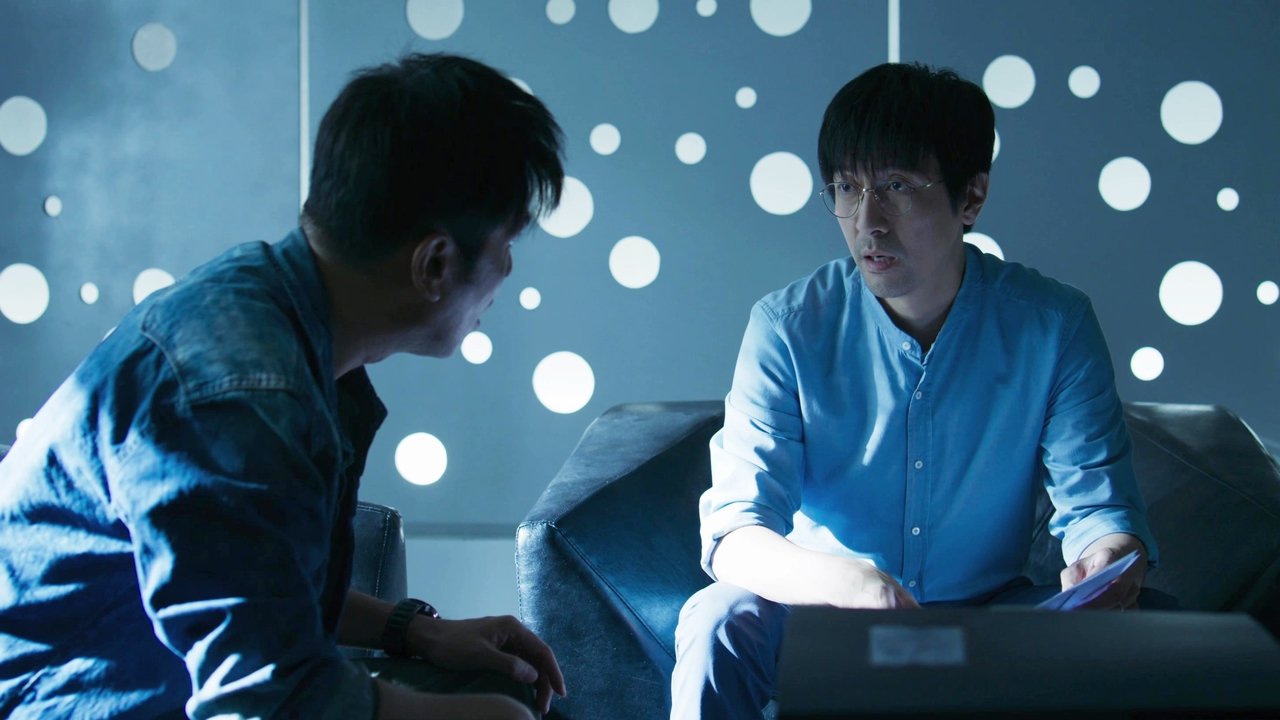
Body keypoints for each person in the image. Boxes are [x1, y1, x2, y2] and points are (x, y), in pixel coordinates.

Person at [0, 53, 567, 720]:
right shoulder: (240, 397)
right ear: (435, 263)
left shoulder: (272, 310)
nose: (507, 271)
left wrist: (413, 630)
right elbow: (264, 701)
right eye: (507, 244)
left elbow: (249, 586)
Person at [670, 62, 1165, 719]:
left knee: (1157, 626)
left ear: (972, 197)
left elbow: (1099, 507)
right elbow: (735, 532)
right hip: (825, 610)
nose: (867, 221)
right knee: (718, 620)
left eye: (897, 187)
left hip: (986, 616)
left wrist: (1108, 559)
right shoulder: (787, 327)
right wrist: (851, 584)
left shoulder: (1053, 325)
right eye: (846, 188)